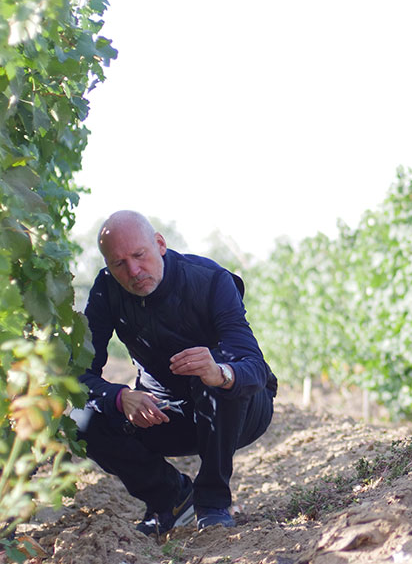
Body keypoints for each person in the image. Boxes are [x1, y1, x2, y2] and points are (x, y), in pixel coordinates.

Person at [72, 210, 277, 536]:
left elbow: (253, 367)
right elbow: (78, 376)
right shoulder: (107, 290)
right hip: (165, 415)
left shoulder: (211, 280)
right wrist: (120, 397)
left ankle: (213, 503)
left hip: (237, 412)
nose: (133, 271)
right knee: (80, 417)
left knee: (208, 377)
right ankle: (173, 499)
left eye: (139, 255)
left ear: (160, 244)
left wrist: (220, 372)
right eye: (119, 263)